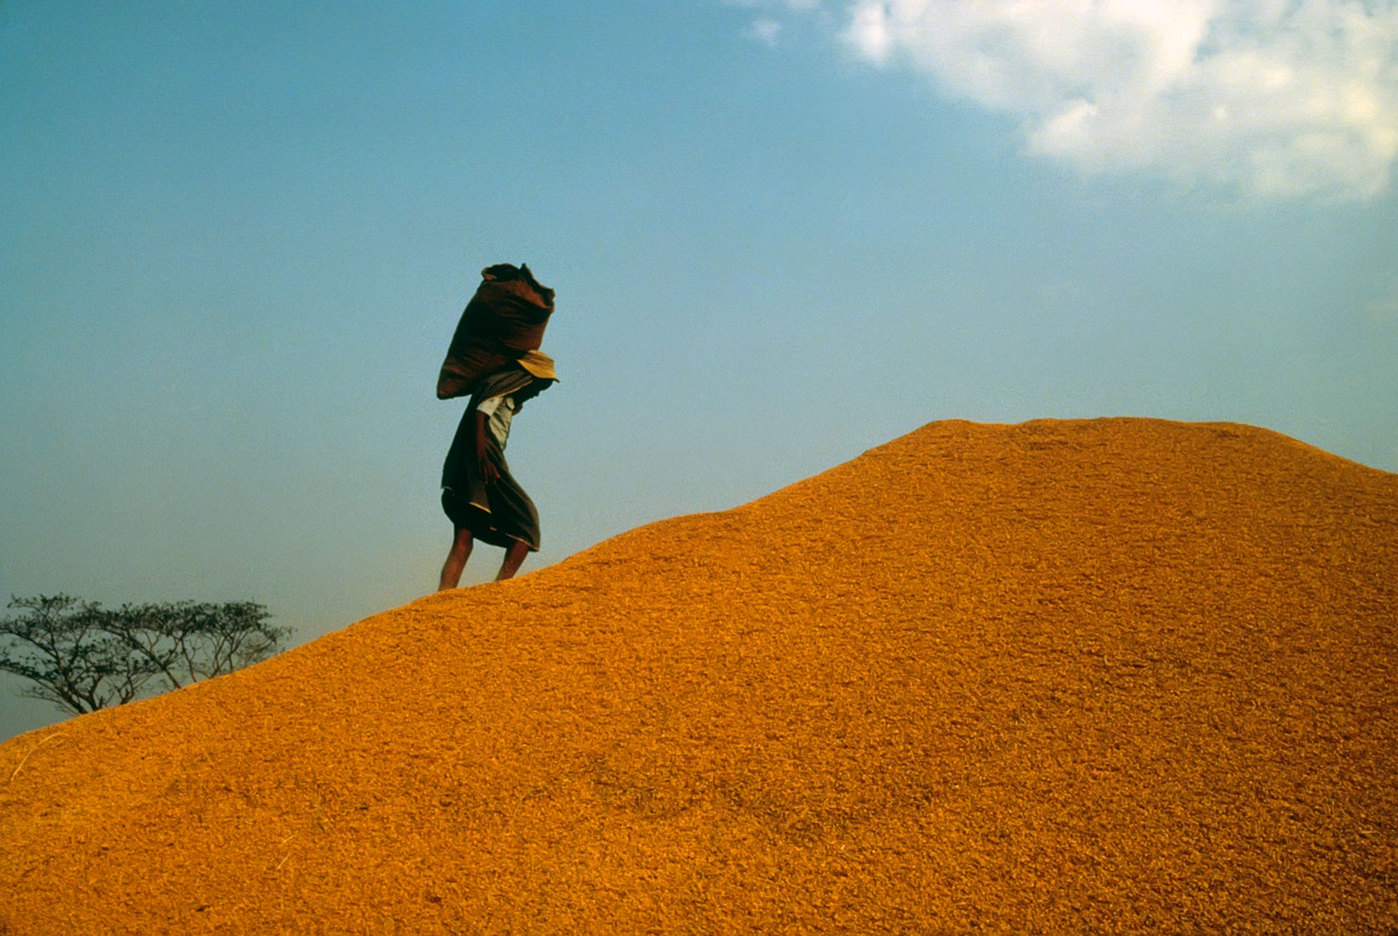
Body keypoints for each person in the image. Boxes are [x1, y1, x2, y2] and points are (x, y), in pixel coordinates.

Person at [438, 350, 556, 589]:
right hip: (484, 460)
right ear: (527, 377)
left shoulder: (507, 395)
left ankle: (443, 596)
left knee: (464, 536)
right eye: (538, 385)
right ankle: (499, 588)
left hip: (472, 462)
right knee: (527, 521)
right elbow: (480, 414)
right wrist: (483, 458)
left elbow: (504, 406)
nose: (538, 392)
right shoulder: (497, 388)